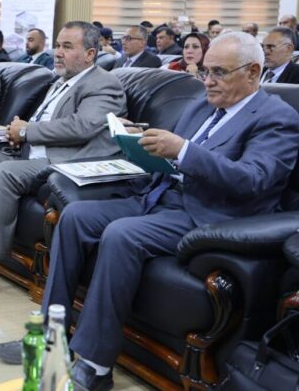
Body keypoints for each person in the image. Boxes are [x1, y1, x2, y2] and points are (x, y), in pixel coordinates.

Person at [39, 32, 299, 390]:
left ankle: (95, 365)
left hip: (208, 213)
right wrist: (139, 138)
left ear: (253, 72)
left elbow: (254, 179)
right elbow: (174, 150)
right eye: (206, 71)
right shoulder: (203, 105)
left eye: (219, 73)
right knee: (74, 217)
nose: (208, 81)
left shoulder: (277, 117)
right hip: (158, 194)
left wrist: (183, 151)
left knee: (122, 234)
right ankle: (50, 335)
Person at [0, 21, 128, 294]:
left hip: (64, 161)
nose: (58, 52)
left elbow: (82, 127)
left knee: (6, 172)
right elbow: (44, 122)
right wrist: (17, 132)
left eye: (67, 47)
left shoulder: (104, 84)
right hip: (28, 152)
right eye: (58, 45)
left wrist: (26, 131)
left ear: (90, 54)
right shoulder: (61, 80)